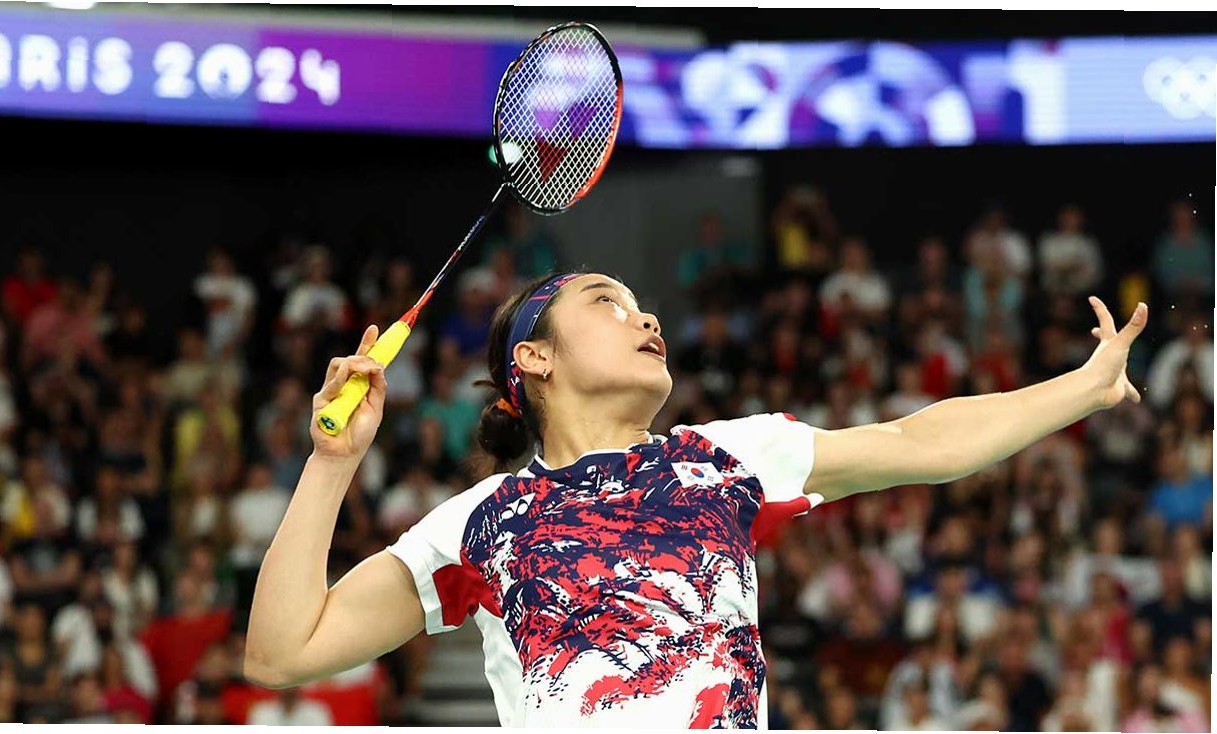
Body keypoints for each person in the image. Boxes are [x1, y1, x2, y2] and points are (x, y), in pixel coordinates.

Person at [244, 272, 1150, 727]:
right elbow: (282, 653)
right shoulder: (481, 523)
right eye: (607, 303)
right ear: (534, 357)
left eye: (642, 306)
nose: (646, 318)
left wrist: (1081, 387)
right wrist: (331, 464)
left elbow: (921, 443)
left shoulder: (724, 458)